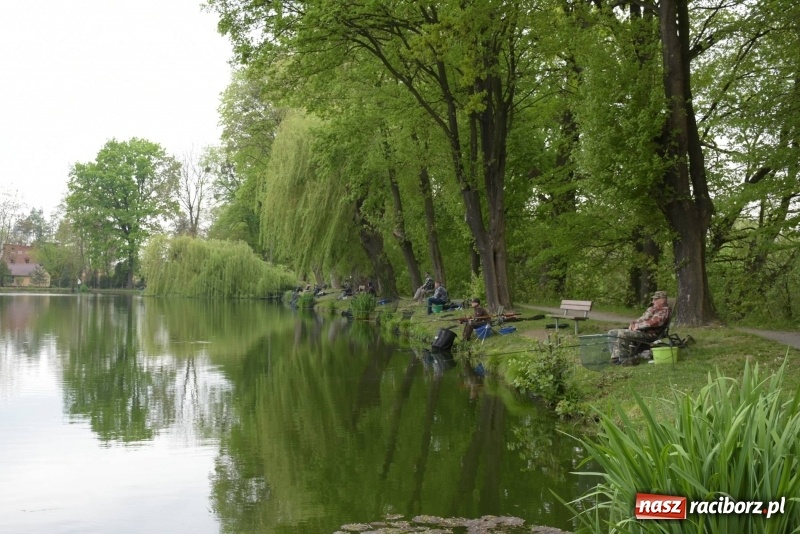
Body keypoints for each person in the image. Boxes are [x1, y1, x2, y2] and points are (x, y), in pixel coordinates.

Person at [608, 290, 671, 362]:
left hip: (649, 333)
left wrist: (638, 326)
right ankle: (615, 357)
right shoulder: (652, 309)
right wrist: (633, 323)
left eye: (655, 299)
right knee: (612, 332)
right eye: (653, 299)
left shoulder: (664, 310)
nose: (653, 301)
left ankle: (624, 359)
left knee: (623, 334)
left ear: (662, 300)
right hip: (641, 331)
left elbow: (655, 322)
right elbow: (642, 319)